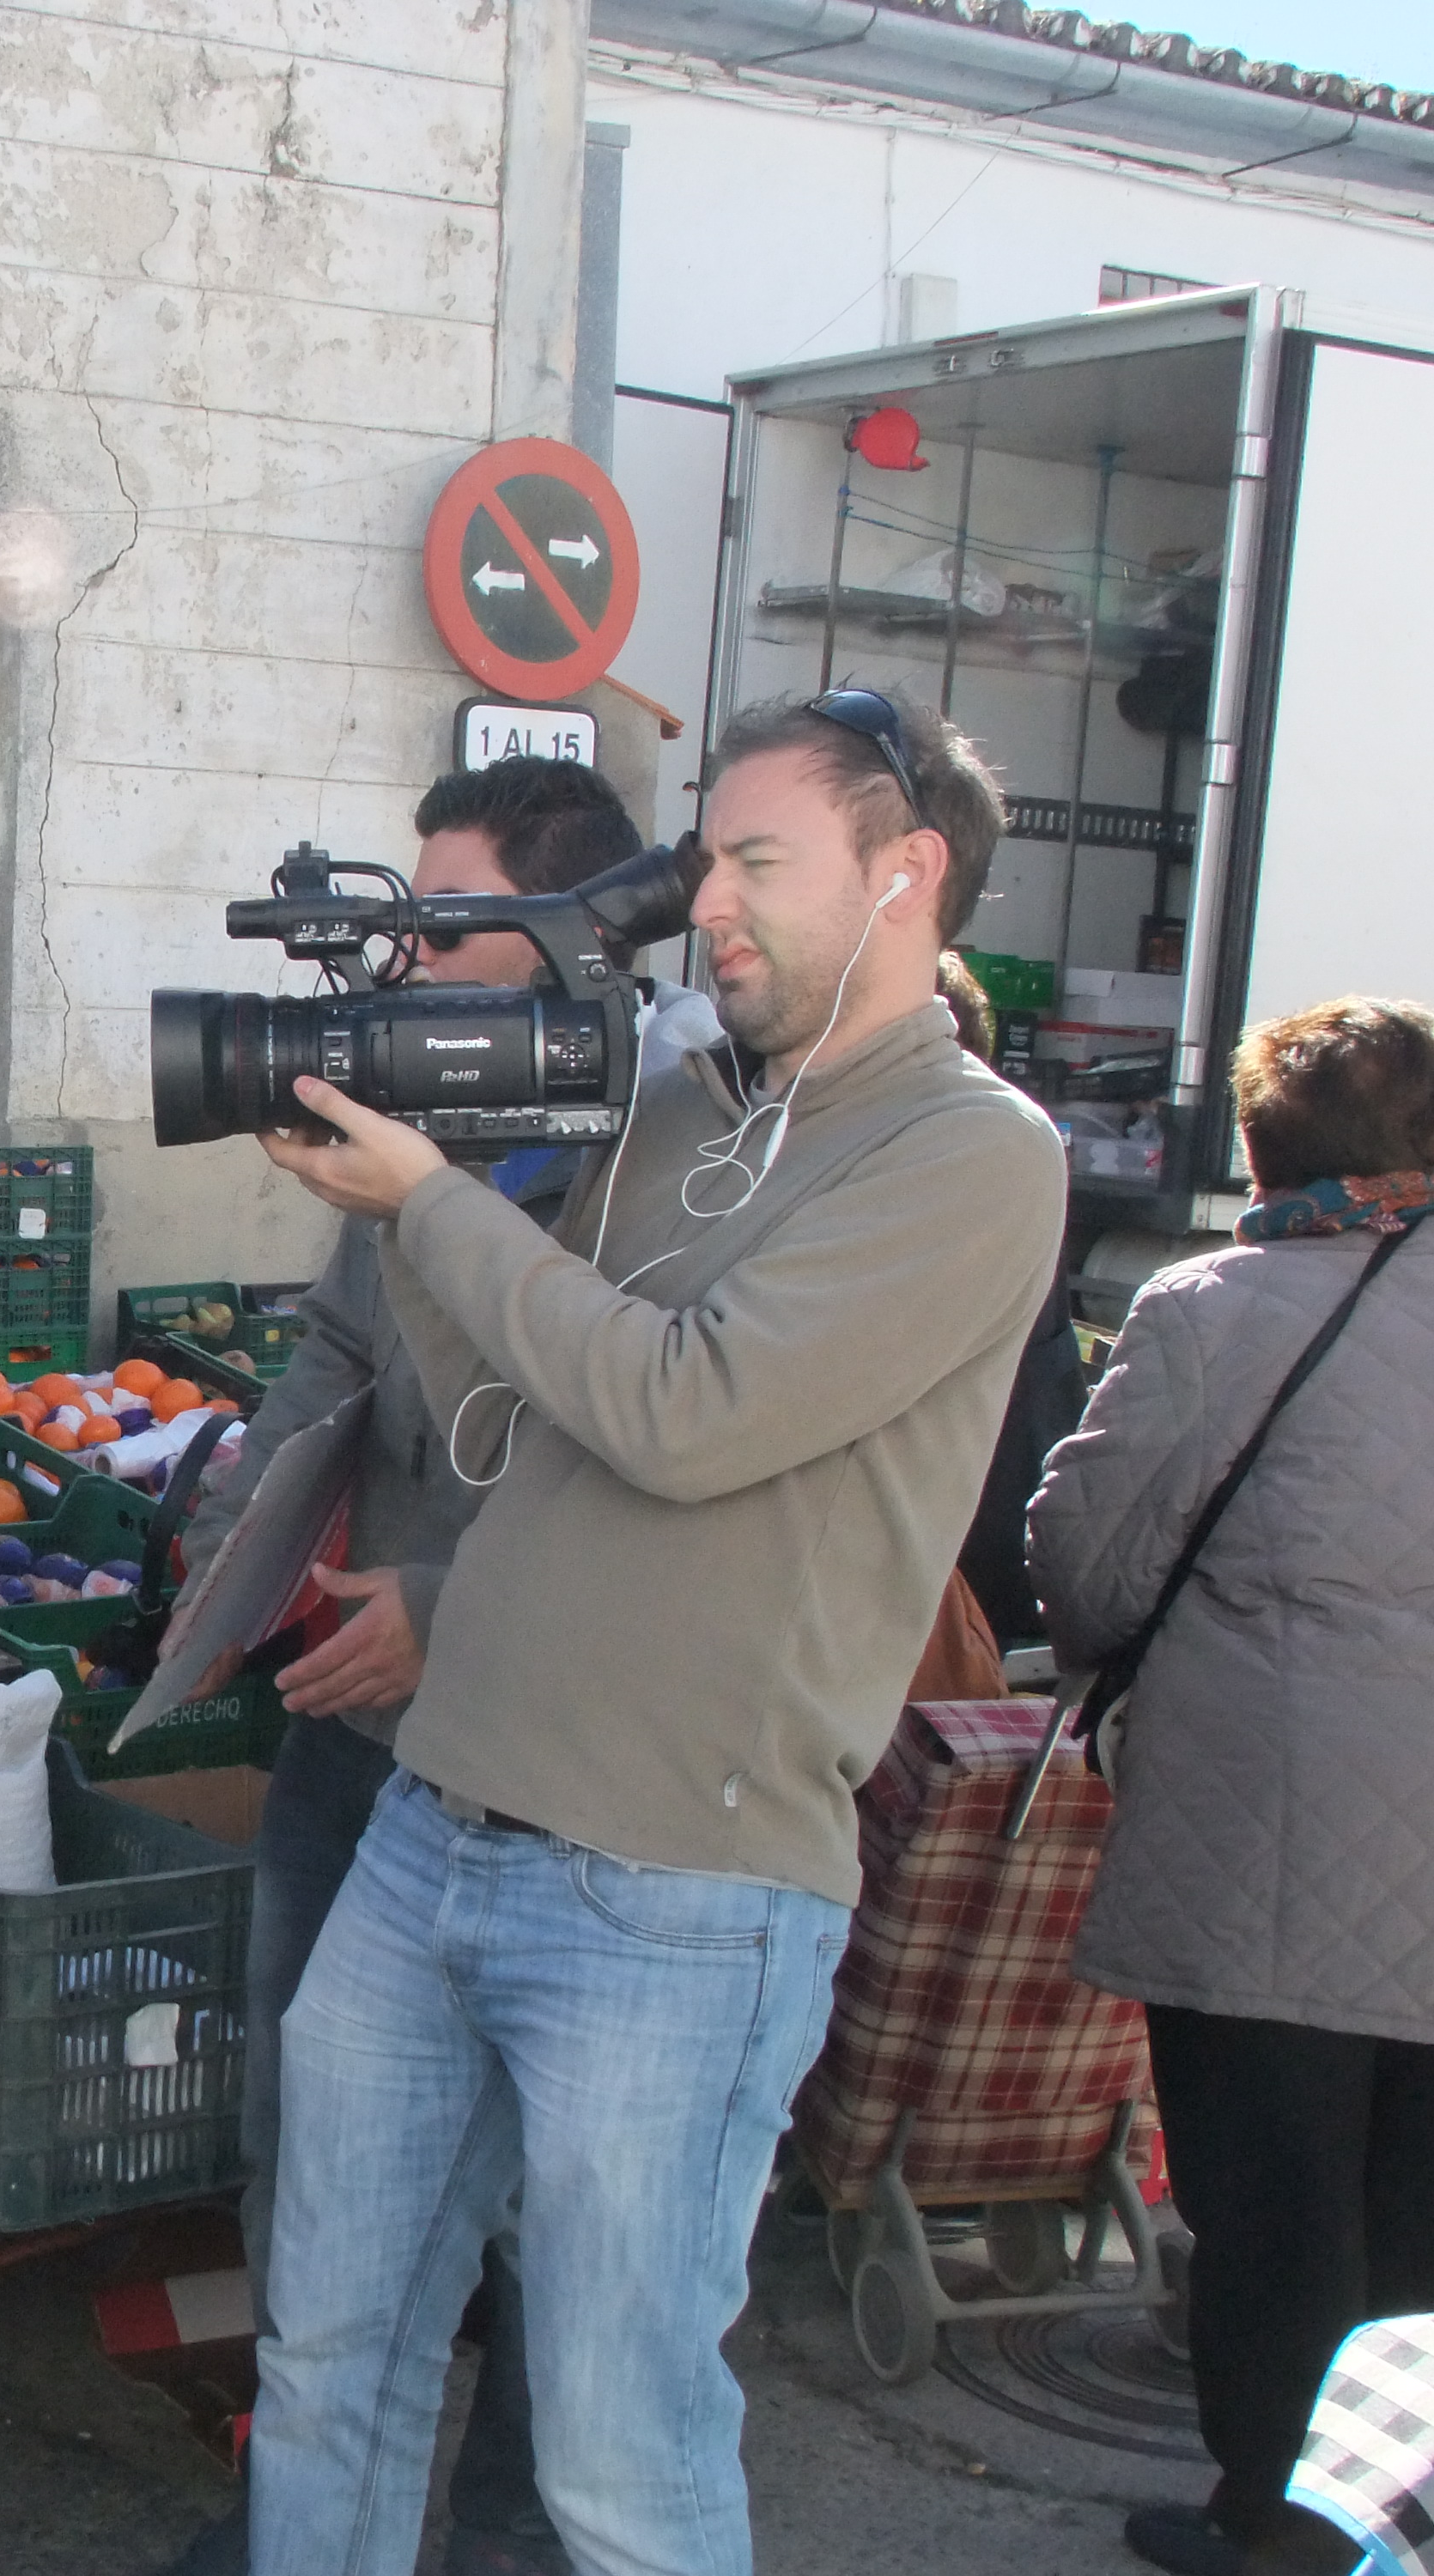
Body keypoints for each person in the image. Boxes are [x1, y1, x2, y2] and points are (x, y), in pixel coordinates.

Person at [240, 688, 1066, 2576]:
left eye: (758, 864)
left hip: (678, 1893)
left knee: (618, 2458)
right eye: (708, 866)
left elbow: (685, 1414)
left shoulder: (969, 1153)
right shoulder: (681, 1103)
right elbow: (499, 1413)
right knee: (327, 2368)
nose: (710, 909)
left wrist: (437, 1202)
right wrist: (406, 1195)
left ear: (904, 873)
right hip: (437, 1824)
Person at [1034, 998, 1434, 2576]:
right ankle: (1413, 2525)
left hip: (1271, 1836)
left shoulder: (1213, 1303)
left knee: (1279, 2215)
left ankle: (1268, 2521)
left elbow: (1085, 1574)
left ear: (1258, 1147)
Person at [155, 756, 644, 2576]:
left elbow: (649, 1452)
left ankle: (512, 2533)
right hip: (357, 1746)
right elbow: (324, 1368)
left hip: (555, 1759)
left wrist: (437, 1587)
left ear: (565, 939)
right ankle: (303, 2500)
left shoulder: (652, 1160)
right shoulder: (401, 1134)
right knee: (312, 2141)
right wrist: (230, 1556)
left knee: (541, 2204)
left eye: (445, 926)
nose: (404, 963)